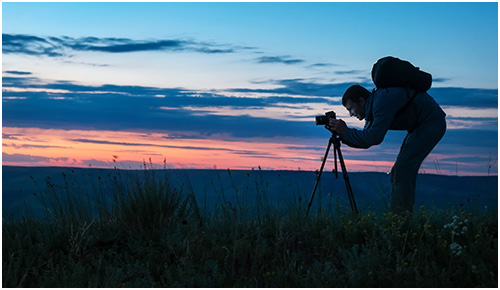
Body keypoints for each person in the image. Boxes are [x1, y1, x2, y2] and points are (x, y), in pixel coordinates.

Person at [328, 84, 446, 213]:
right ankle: (399, 216)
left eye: (351, 109)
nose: (351, 114)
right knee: (398, 171)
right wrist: (343, 134)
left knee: (403, 169)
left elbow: (374, 138)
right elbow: (367, 140)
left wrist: (345, 132)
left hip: (431, 123)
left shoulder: (381, 102)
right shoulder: (373, 107)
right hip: (420, 126)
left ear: (361, 101)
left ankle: (400, 218)